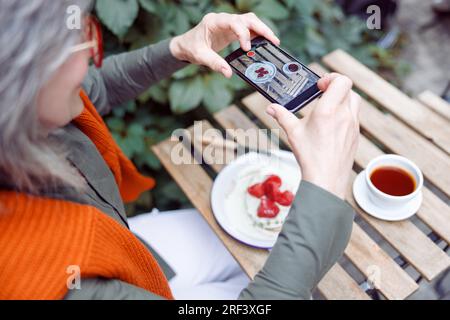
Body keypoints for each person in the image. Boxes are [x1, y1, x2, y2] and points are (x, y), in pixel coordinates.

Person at [0, 1, 360, 300]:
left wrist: (178, 48)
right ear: (23, 79)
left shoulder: (28, 113)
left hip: (122, 247)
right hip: (97, 266)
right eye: (78, 42)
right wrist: (325, 187)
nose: (91, 61)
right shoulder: (46, 283)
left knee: (250, 253)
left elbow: (93, 86)